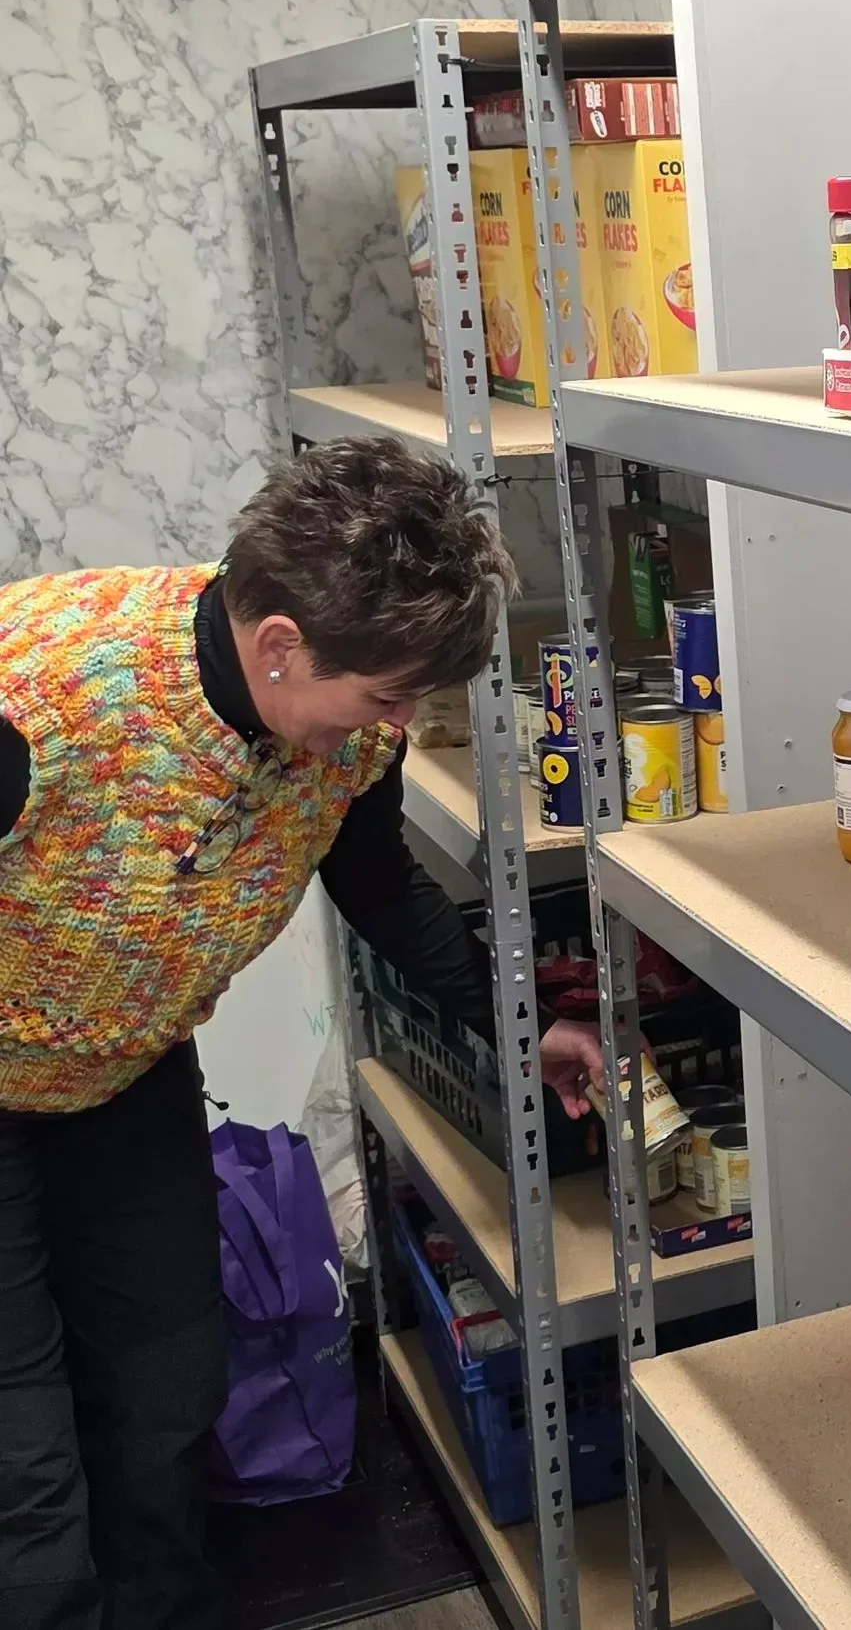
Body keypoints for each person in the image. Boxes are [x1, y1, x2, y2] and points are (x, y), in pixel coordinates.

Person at [0, 437, 606, 1630]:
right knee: (21, 1447)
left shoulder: (350, 731)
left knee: (168, 1379)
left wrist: (516, 1025)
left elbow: (378, 885)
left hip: (124, 1069)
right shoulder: (44, 698)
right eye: (384, 698)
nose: (396, 725)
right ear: (279, 644)